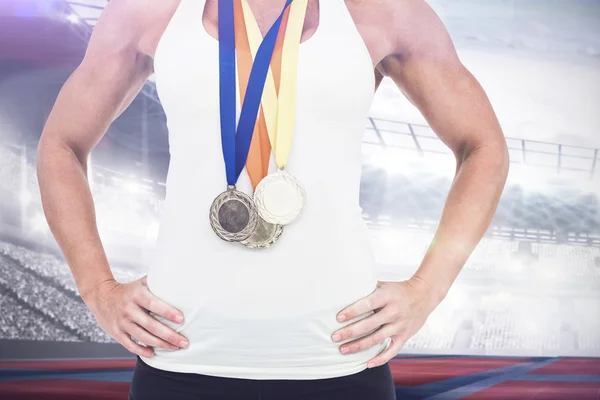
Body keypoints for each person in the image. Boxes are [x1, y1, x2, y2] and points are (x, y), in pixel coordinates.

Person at [36, 0, 509, 399]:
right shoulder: (152, 10)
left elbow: (483, 147)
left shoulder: (381, 11)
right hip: (180, 359)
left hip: (339, 364)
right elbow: (60, 146)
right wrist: (97, 290)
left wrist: (428, 290)